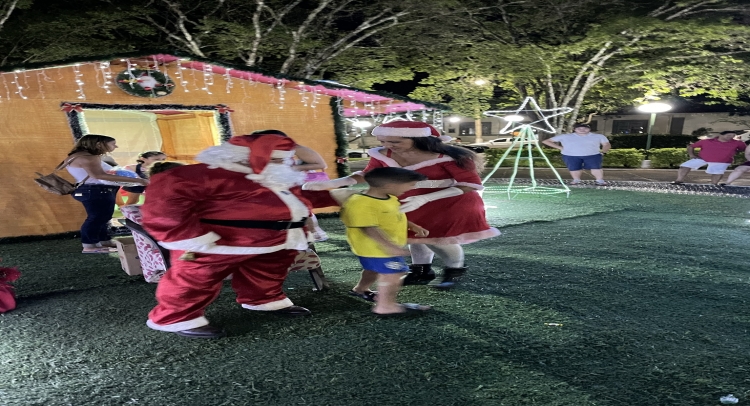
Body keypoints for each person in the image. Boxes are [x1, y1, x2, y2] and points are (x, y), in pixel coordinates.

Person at [140, 130, 316, 339]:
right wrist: (188, 236)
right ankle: (175, 317)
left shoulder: (275, 174)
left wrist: (329, 195)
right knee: (195, 280)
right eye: (278, 157)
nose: (286, 161)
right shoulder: (200, 175)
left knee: (267, 271)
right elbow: (163, 205)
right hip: (220, 241)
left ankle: (263, 300)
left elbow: (288, 201)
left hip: (278, 239)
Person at [304, 120, 500, 290]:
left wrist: (424, 198)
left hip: (450, 201)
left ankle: (454, 270)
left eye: (395, 141)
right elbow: (369, 174)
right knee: (415, 236)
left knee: (439, 238)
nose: (388, 145)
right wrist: (335, 183)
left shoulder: (451, 156)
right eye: (384, 141)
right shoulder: (383, 154)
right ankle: (422, 271)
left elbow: (470, 184)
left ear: (419, 139)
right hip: (408, 199)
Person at [341, 167, 433, 315]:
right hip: (378, 248)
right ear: (390, 185)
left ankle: (360, 289)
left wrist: (412, 226)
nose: (412, 188)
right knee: (392, 274)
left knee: (373, 269)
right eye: (410, 184)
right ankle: (385, 306)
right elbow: (369, 228)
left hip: (378, 249)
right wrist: (390, 247)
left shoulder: (389, 197)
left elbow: (394, 215)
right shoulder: (361, 203)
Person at [65, 134, 149, 254]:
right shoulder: (88, 158)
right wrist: (138, 180)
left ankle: (103, 241)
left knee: (103, 217)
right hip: (94, 190)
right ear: (99, 144)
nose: (116, 146)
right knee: (96, 218)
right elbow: (99, 175)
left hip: (92, 189)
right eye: (113, 144)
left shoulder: (80, 156)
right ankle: (89, 245)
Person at [542, 123, 611, 185]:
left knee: (596, 168)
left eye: (585, 128)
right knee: (574, 168)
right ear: (574, 129)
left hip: (593, 155)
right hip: (570, 155)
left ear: (589, 129)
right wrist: (560, 147)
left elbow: (606, 144)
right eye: (579, 128)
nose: (582, 130)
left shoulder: (599, 136)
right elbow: (546, 141)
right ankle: (576, 180)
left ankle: (600, 180)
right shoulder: (565, 136)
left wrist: (603, 152)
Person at [672, 131, 746, 185]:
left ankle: (714, 185)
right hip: (702, 158)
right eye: (729, 135)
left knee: (717, 172)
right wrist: (692, 155)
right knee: (685, 166)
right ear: (721, 135)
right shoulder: (706, 141)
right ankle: (679, 181)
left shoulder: (738, 143)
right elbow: (691, 146)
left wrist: (733, 153)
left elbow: (743, 149)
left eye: (733, 135)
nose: (731, 137)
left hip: (722, 160)